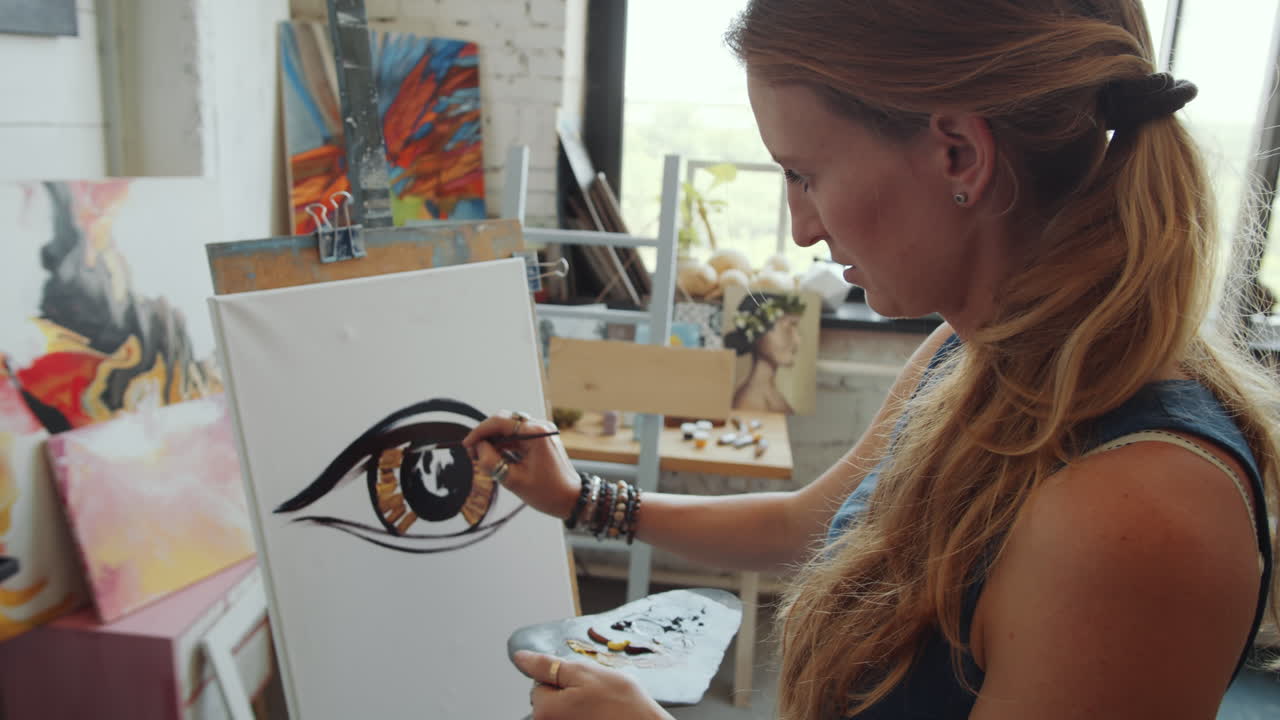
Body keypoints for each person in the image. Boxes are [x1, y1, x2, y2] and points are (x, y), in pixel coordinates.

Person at [462, 1, 1280, 717]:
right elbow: (813, 526)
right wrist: (580, 500)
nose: (802, 229)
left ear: (959, 153)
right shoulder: (968, 351)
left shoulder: (1140, 515)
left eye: (805, 174)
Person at [724, 293, 807, 413]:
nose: (797, 340)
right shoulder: (750, 402)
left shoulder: (770, 393)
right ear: (758, 333)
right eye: (787, 327)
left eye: (796, 329)